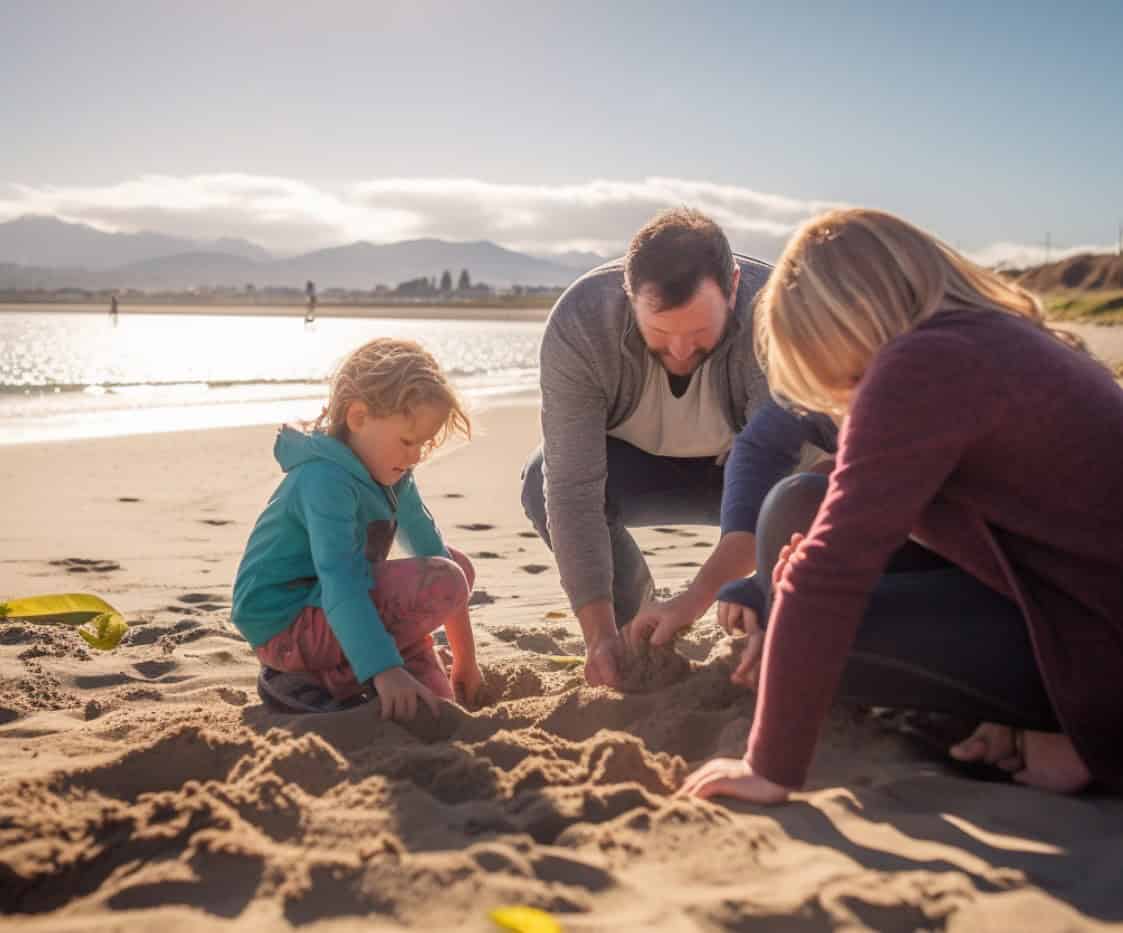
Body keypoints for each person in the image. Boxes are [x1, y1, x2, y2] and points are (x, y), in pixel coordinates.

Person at [678, 208, 1123, 804]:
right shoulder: (977, 338)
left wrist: (770, 767)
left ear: (842, 323)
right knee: (800, 501)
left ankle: (1063, 733)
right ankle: (1010, 721)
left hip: (1096, 642)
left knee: (815, 628)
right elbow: (843, 501)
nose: (840, 397)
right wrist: (767, 591)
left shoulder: (921, 364)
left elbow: (835, 567)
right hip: (1045, 591)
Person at [521, 208, 835, 689]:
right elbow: (572, 490)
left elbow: (770, 491)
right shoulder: (580, 323)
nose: (683, 352)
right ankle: (636, 616)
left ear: (733, 286)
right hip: (639, 470)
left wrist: (699, 596)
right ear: (629, 297)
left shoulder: (775, 316)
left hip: (756, 477)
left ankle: (777, 618)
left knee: (796, 499)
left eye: (700, 331)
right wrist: (597, 634)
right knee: (540, 478)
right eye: (662, 334)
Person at [232, 337, 482, 722]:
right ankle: (315, 679)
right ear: (358, 417)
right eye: (406, 441)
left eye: (424, 445)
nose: (415, 456)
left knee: (454, 569)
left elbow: (432, 549)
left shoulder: (396, 476)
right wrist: (385, 670)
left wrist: (466, 660)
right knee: (444, 579)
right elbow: (342, 580)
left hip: (332, 607)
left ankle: (365, 660)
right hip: (285, 623)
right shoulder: (324, 479)